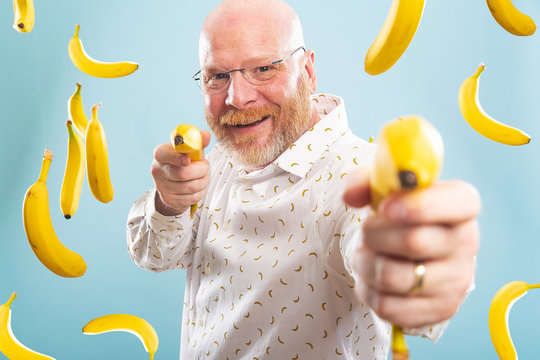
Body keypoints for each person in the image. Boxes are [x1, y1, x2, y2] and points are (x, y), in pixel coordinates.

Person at [126, 0, 480, 358]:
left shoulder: (360, 177)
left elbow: (397, 266)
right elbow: (153, 256)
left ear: (308, 71)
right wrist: (168, 203)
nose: (237, 97)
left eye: (263, 68)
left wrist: (419, 270)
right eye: (217, 76)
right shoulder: (217, 160)